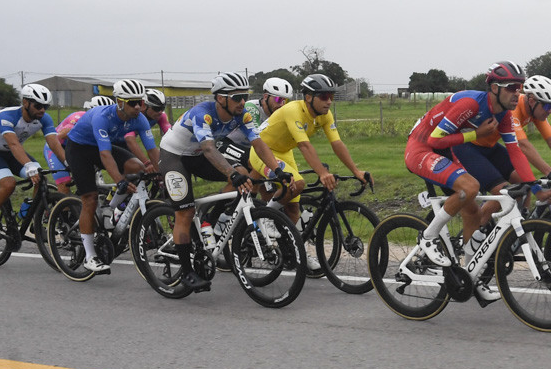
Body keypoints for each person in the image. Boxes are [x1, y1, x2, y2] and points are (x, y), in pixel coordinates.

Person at [403, 62, 539, 291]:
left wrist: (533, 185)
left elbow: (515, 152)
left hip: (445, 151)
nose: (517, 93)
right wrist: (475, 134)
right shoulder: (471, 104)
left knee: (473, 211)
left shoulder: (504, 115)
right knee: (471, 187)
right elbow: (435, 140)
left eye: (520, 87)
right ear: (494, 88)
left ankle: (470, 275)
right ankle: (428, 237)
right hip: (421, 147)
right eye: (511, 87)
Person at [157, 72, 288, 293]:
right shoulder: (203, 114)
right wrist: (231, 174)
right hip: (175, 156)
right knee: (185, 212)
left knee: (243, 174)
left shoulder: (242, 115)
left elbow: (258, 144)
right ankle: (187, 273)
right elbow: (209, 149)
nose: (242, 102)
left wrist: (277, 170)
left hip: (197, 155)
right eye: (237, 97)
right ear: (220, 98)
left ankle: (210, 218)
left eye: (245, 96)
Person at [247, 74, 371, 270]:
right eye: (324, 97)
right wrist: (322, 173)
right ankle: (267, 216)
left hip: (284, 151)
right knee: (298, 183)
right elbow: (304, 146)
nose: (329, 101)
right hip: (262, 151)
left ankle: (297, 253)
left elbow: (337, 143)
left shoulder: (325, 115)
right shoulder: (293, 110)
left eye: (331, 96)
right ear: (308, 97)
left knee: (293, 208)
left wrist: (356, 170)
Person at [62, 79, 161, 274]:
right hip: (80, 149)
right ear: (120, 102)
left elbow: (152, 151)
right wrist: (119, 181)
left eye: (140, 102)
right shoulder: (103, 117)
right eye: (133, 103)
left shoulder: (139, 118)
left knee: (137, 168)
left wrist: (162, 174)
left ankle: (111, 207)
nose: (138, 107)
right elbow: (105, 155)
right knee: (90, 199)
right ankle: (90, 256)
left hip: (103, 147)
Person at [471, 75, 551, 183]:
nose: (550, 111)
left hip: (491, 147)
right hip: (471, 147)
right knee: (498, 189)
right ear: (532, 101)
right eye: (547, 106)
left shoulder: (535, 111)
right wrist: (549, 172)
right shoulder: (513, 110)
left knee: (525, 186)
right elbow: (523, 145)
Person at [0, 84, 67, 239]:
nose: (42, 110)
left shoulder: (44, 119)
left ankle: (33, 218)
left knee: (40, 178)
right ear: (25, 102)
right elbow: (13, 143)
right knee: (9, 184)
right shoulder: (6, 116)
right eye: (38, 106)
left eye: (45, 106)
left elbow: (54, 143)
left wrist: (68, 163)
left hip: (11, 153)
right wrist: (28, 164)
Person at [43, 96, 113, 191]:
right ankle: (64, 199)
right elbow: (61, 135)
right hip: (57, 148)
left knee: (92, 184)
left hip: (76, 149)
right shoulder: (79, 117)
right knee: (65, 183)